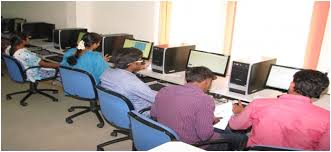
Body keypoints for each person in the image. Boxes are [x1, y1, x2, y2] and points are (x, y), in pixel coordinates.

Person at [229, 69, 330, 150]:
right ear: (319, 92)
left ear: (292, 84)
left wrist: (239, 113)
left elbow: (235, 125)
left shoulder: (259, 104)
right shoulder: (327, 118)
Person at [151, 66, 247, 150]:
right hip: (189, 144)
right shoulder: (204, 100)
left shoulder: (165, 90)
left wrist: (207, 119)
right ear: (207, 81)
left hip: (165, 137)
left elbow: (153, 114)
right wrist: (209, 122)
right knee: (240, 138)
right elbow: (205, 136)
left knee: (225, 132)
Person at [100, 47, 156, 114]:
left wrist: (138, 67)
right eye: (140, 60)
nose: (142, 62)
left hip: (115, 109)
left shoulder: (106, 72)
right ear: (130, 64)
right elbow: (156, 99)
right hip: (140, 114)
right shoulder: (133, 83)